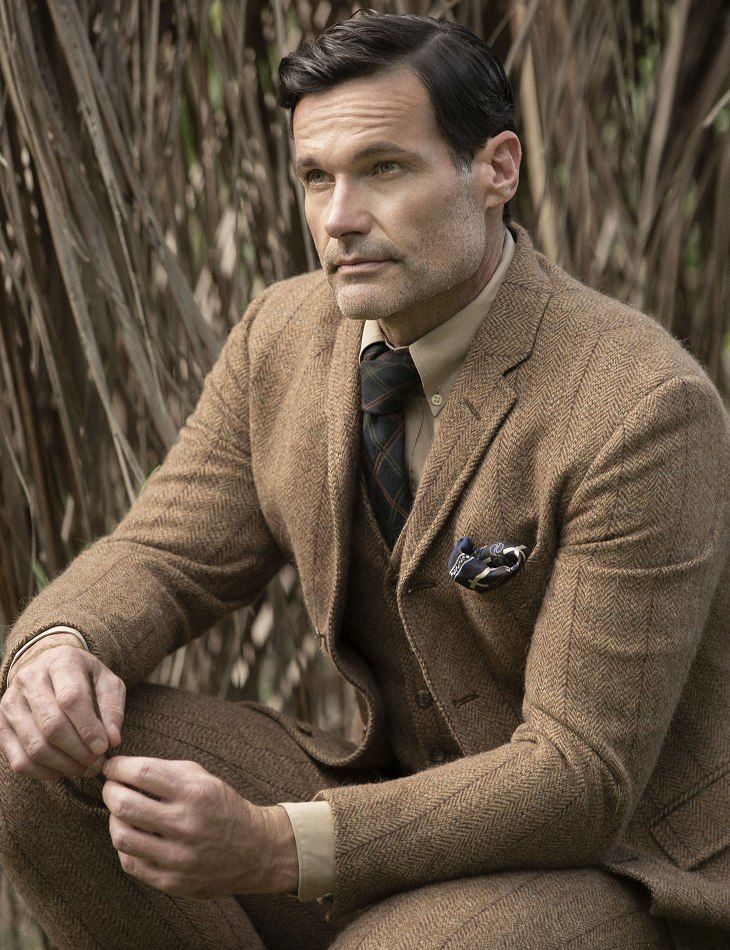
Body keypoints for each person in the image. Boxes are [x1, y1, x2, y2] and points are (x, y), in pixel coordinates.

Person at [0, 11, 727, 950]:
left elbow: (580, 775)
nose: (338, 217)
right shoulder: (282, 337)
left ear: (497, 168)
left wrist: (279, 846)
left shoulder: (641, 406)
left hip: (622, 859)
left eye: (383, 168)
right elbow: (163, 557)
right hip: (389, 789)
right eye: (317, 176)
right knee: (32, 763)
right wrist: (59, 648)